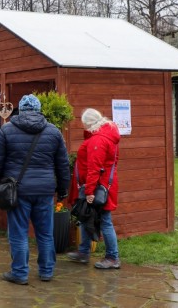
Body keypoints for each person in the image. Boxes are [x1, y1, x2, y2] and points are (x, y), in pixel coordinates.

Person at [0, 94, 70, 285]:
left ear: (20, 109)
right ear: (39, 109)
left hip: (18, 190)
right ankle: (47, 271)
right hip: (45, 190)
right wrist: (63, 188)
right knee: (45, 233)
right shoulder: (53, 131)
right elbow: (63, 164)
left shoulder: (7, 130)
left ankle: (20, 273)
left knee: (18, 233)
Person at [67, 108, 121, 269]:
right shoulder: (105, 136)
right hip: (102, 185)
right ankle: (83, 252)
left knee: (105, 221)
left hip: (98, 188)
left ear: (88, 123)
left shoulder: (98, 140)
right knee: (85, 217)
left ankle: (112, 257)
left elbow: (94, 168)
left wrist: (89, 191)